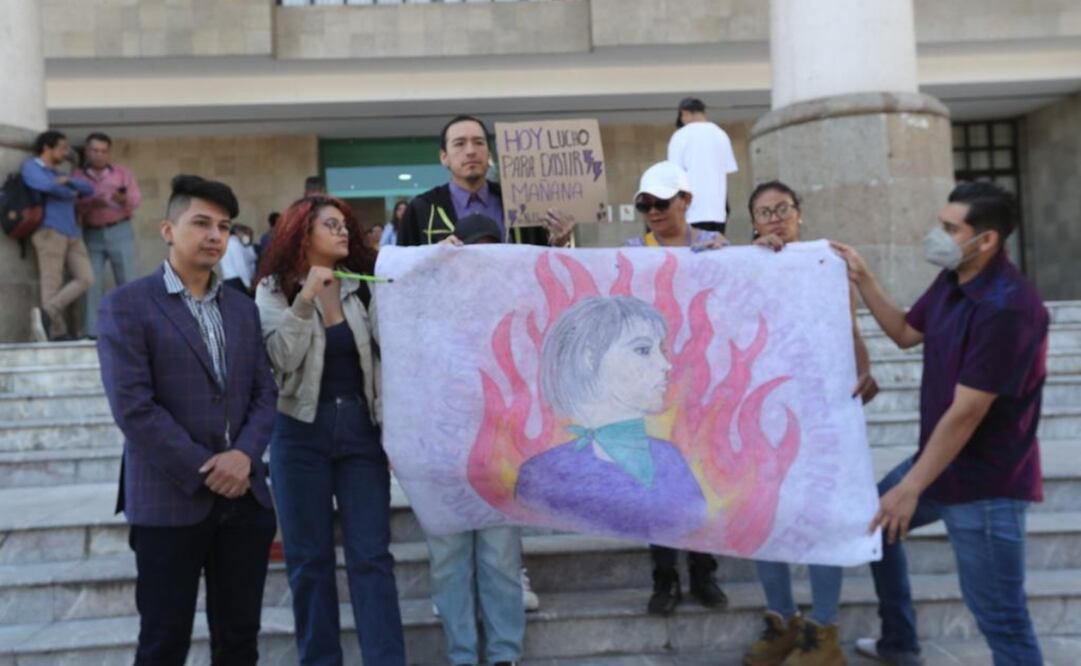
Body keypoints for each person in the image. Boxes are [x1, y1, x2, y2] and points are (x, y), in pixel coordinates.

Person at [832, 182, 1048, 666]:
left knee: (1002, 621)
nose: (937, 235)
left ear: (986, 240)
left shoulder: (1008, 307)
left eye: (951, 228)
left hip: (986, 484)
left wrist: (910, 487)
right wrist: (863, 276)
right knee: (878, 527)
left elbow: (967, 413)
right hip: (942, 465)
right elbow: (907, 331)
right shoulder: (954, 280)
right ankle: (900, 644)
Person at [96, 175, 278, 665]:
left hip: (245, 500)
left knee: (239, 641)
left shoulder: (242, 308)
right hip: (168, 500)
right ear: (167, 230)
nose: (215, 235)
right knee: (163, 641)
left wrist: (242, 457)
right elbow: (134, 407)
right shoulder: (127, 306)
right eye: (201, 223)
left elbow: (266, 392)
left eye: (223, 226)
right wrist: (208, 468)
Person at [255, 195, 406, 665]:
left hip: (360, 432)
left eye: (345, 225)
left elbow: (396, 342)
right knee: (308, 563)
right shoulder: (274, 290)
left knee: (371, 559)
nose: (344, 232)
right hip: (299, 434)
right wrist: (306, 302)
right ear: (304, 233)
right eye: (331, 225)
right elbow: (279, 361)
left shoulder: (366, 285)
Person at [740, 181, 878, 666]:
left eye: (783, 209)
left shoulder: (828, 264)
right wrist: (752, 259)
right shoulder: (746, 264)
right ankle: (781, 618)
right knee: (764, 513)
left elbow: (849, 325)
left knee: (819, 513)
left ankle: (823, 630)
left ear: (800, 215)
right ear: (753, 222)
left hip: (820, 412)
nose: (775, 218)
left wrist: (862, 368)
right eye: (764, 212)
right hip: (766, 414)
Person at [619, 160, 729, 616]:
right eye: (644, 204)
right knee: (655, 482)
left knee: (702, 477)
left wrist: (730, 258)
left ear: (686, 200)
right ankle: (664, 577)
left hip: (702, 383)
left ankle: (704, 572)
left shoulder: (714, 247)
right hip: (652, 386)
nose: (653, 212)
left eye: (661, 203)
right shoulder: (632, 249)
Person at [516, 296, 708, 543]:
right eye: (642, 350)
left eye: (662, 350)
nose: (665, 365)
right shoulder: (542, 473)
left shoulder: (669, 457)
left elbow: (697, 525)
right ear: (590, 358)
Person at [397, 114, 564, 248]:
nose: (470, 151)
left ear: (489, 155)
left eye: (478, 142)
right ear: (444, 157)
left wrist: (557, 242)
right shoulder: (422, 209)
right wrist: (433, 256)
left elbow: (540, 261)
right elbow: (400, 271)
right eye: (459, 143)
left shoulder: (519, 204)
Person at [22, 130, 95, 341]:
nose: (65, 152)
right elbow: (42, 185)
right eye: (62, 147)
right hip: (49, 231)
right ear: (47, 148)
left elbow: (87, 188)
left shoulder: (57, 172)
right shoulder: (32, 167)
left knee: (86, 278)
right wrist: (64, 185)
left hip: (72, 231)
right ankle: (56, 332)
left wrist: (65, 182)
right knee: (51, 282)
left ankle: (47, 313)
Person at [74, 131, 142, 339]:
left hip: (119, 229)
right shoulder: (76, 176)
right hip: (91, 232)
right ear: (87, 151)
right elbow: (71, 205)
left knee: (127, 281)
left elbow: (136, 199)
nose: (99, 155)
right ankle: (91, 332)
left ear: (109, 152)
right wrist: (89, 203)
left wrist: (122, 200)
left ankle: (134, 330)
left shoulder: (122, 173)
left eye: (103, 151)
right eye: (94, 150)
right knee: (90, 283)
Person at [667, 97, 738, 235]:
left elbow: (674, 174)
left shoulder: (680, 136)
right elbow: (728, 169)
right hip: (718, 210)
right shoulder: (721, 134)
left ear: (684, 113)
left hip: (690, 211)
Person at [221, 224, 257, 295]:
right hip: (237, 281)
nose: (247, 236)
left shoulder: (226, 243)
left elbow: (251, 258)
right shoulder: (235, 244)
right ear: (239, 233)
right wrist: (248, 284)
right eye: (245, 234)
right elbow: (241, 266)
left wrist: (247, 243)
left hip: (228, 280)